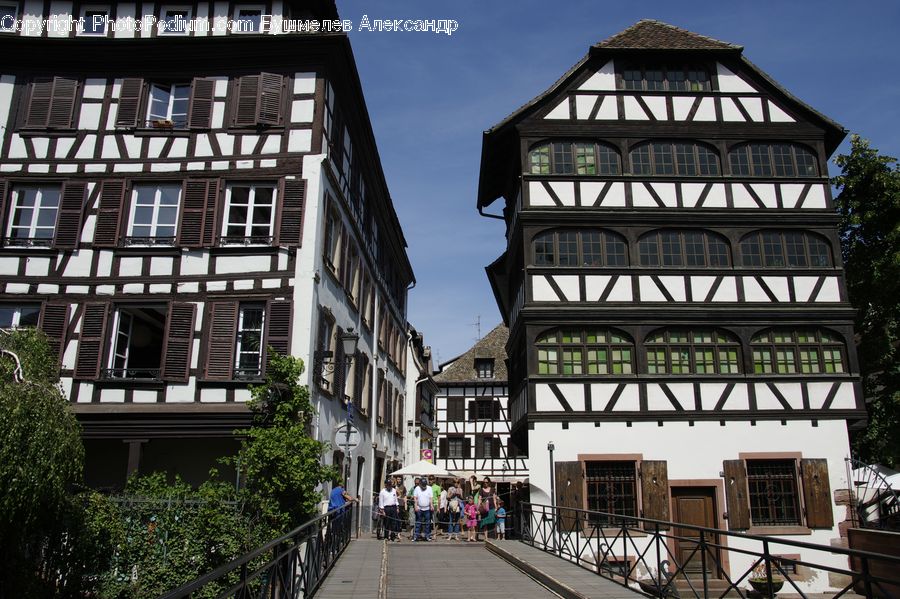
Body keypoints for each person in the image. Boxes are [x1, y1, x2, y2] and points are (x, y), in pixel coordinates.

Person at [413, 477, 433, 541]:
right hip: (419, 508)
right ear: (420, 484)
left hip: (427, 508)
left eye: (425, 485)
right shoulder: (417, 488)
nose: (424, 487)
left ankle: (427, 536)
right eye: (422, 485)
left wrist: (431, 505)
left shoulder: (429, 488)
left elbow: (430, 498)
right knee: (418, 522)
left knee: (428, 523)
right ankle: (416, 536)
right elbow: (415, 498)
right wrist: (415, 506)